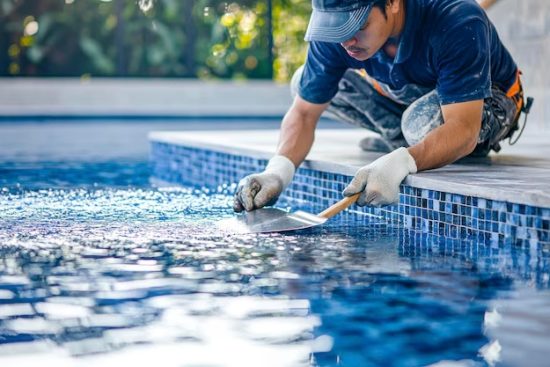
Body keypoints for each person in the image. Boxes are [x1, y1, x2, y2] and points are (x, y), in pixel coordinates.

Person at [233, 0, 532, 212]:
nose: (346, 40)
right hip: (413, 100)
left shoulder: (455, 17)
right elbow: (304, 113)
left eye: (357, 25)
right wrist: (277, 171)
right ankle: (406, 141)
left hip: (485, 104)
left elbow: (464, 128)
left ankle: (406, 144)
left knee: (418, 124)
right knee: (303, 82)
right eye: (336, 29)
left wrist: (402, 162)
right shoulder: (338, 36)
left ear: (392, 3)